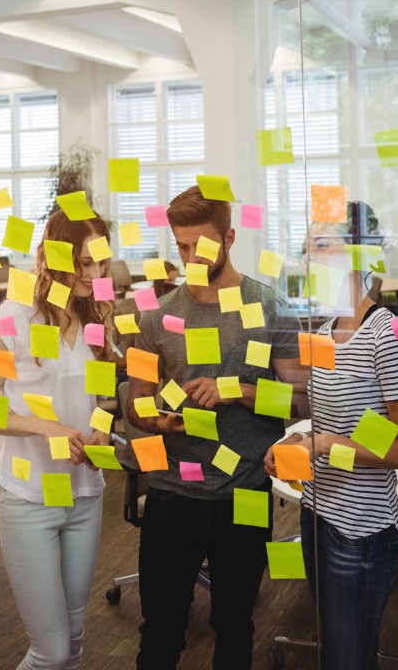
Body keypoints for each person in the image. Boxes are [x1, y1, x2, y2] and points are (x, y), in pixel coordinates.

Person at [126, 185, 301, 670]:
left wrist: (237, 391)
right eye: (181, 246)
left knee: (234, 628)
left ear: (229, 237)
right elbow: (134, 405)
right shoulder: (156, 315)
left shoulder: (269, 306)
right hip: (171, 491)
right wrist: (155, 419)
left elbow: (301, 400)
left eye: (200, 245)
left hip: (244, 489)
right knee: (159, 634)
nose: (190, 257)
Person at [265, 201, 398, 670]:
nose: (307, 259)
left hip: (362, 532)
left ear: (359, 253)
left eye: (321, 245)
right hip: (317, 515)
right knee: (343, 654)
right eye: (306, 247)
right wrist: (296, 445)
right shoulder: (324, 330)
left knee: (346, 659)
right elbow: (327, 423)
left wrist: (327, 446)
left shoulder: (389, 334)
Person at [0, 209, 118, 670]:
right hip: (28, 496)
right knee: (49, 652)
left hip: (84, 495)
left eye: (100, 264)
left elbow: (102, 400)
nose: (93, 276)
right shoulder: (17, 314)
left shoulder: (98, 316)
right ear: (55, 259)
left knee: (72, 643)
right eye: (82, 264)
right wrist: (45, 426)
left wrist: (100, 429)